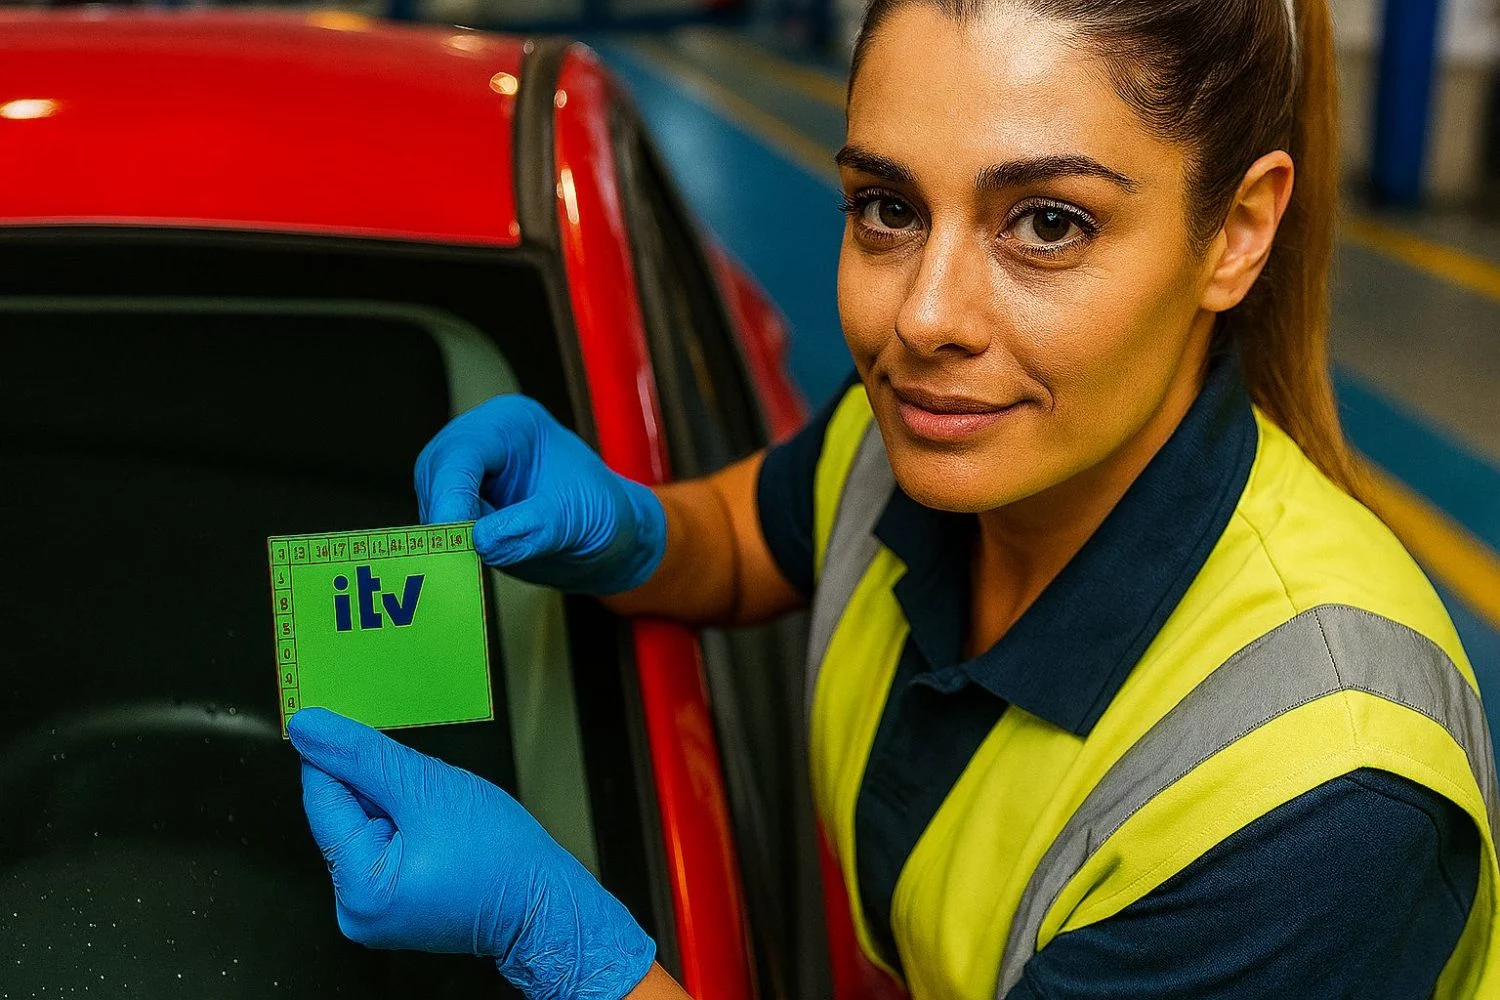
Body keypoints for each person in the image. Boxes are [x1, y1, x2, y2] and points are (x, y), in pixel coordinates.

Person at [286, 0, 1500, 996]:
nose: (922, 317)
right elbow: (750, 538)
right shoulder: (923, 439)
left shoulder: (1319, 808)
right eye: (889, 207)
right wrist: (632, 529)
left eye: (1047, 223)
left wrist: (559, 940)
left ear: (1237, 231)